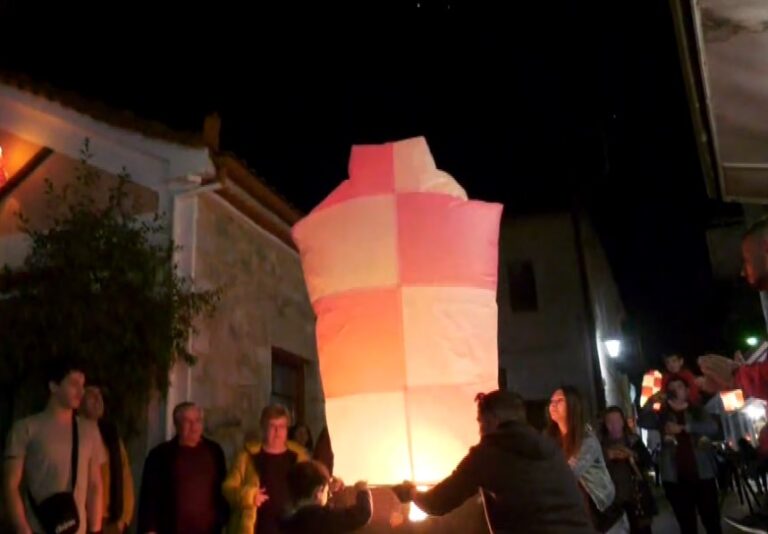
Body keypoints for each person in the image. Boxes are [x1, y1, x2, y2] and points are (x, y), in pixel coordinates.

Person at [392, 389, 594, 533]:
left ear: (492, 420)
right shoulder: (549, 447)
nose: (480, 430)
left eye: (480, 422)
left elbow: (437, 503)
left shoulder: (487, 454)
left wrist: (411, 493)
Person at [4, 360, 105, 534]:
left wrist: (96, 529)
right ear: (54, 386)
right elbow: (10, 485)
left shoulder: (89, 431)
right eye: (73, 384)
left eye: (82, 385)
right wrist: (23, 529)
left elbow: (95, 485)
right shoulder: (25, 429)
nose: (81, 391)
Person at [638, 377, 722, 533]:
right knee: (687, 525)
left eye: (679, 386)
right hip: (675, 478)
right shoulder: (662, 414)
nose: (675, 390)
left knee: (712, 522)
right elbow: (642, 422)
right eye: (672, 388)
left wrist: (684, 428)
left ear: (687, 391)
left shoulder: (697, 410)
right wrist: (651, 401)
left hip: (703, 475)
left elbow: (712, 428)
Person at [137, 402, 228, 534]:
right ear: (177, 425)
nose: (194, 426)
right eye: (188, 421)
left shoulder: (214, 451)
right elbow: (149, 497)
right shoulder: (160, 455)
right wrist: (150, 529)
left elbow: (223, 489)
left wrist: (222, 519)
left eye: (197, 420)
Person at [546, 386, 625, 533]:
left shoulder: (586, 440)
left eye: (560, 400)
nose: (553, 405)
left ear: (574, 406)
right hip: (573, 513)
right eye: (551, 401)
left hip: (600, 513)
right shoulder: (550, 439)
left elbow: (568, 473)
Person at [223, 404, 309, 534]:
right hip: (258, 528)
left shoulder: (298, 457)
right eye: (272, 426)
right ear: (263, 428)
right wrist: (249, 496)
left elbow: (312, 489)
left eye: (281, 427)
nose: (277, 432)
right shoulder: (247, 456)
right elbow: (228, 488)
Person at [80, 386, 134, 534]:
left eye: (99, 395)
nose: (98, 400)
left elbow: (125, 476)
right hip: (82, 517)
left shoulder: (111, 436)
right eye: (91, 395)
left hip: (110, 519)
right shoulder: (73, 433)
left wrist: (124, 518)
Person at [599, 406, 656, 534]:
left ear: (623, 422)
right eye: (610, 422)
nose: (614, 425)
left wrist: (633, 454)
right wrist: (608, 456)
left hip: (635, 498)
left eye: (617, 421)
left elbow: (648, 461)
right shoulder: (600, 445)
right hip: (613, 500)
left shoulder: (633, 440)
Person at [281, 460, 371, 533]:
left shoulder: (288, 520)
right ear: (319, 491)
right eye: (326, 492)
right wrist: (363, 490)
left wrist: (328, 487)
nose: (329, 495)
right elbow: (363, 513)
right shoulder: (322, 518)